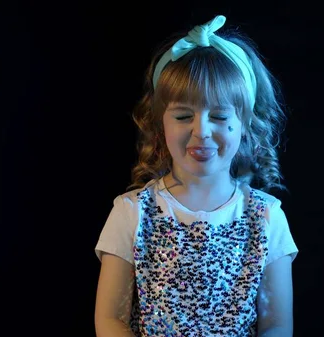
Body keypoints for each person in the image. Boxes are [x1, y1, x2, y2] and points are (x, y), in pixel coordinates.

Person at [94, 14, 298, 337]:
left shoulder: (267, 218)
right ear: (162, 122)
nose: (201, 131)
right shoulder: (131, 214)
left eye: (218, 115)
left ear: (243, 123)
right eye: (183, 115)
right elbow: (109, 321)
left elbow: (277, 325)